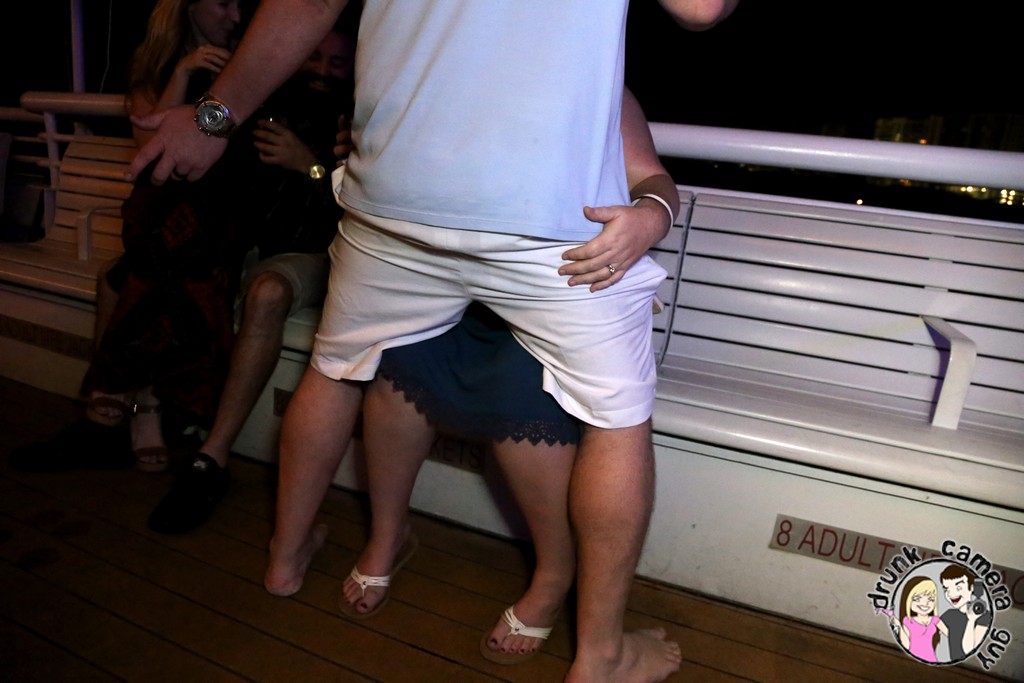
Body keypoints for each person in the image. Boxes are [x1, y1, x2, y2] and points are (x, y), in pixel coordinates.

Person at [125, 2, 737, 680]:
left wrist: (212, 117)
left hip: (403, 205)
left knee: (335, 367)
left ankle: (287, 558)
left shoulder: (584, 85)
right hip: (533, 226)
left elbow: (308, 3)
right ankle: (598, 654)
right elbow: (702, 6)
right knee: (612, 419)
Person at [339, 87, 678, 669]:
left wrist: (651, 216)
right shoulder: (449, 69)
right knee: (399, 361)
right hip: (444, 281)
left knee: (526, 389)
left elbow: (652, 177)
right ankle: (387, 537)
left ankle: (555, 574)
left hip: (557, 286)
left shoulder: (591, 76)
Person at [9, 0, 245, 475]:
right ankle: (146, 408)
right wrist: (181, 73)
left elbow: (228, 138)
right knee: (156, 271)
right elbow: (151, 148)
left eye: (240, 4)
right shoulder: (154, 68)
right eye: (222, 3)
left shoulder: (244, 70)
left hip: (216, 217)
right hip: (157, 214)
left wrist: (222, 91)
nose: (235, 16)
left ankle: (109, 406)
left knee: (140, 278)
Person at [147, 14, 359, 534]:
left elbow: (360, 212)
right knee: (164, 266)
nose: (323, 70)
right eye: (314, 56)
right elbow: (216, 151)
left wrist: (309, 165)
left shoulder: (355, 117)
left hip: (316, 253)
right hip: (250, 243)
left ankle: (211, 457)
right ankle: (149, 412)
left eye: (337, 62)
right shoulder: (269, 101)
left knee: (265, 292)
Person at [888, 576, 949, 663]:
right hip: (911, 659)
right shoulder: (907, 621)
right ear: (908, 600)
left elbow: (951, 635)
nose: (925, 603)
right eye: (917, 599)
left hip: (931, 659)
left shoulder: (935, 620)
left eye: (931, 599)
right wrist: (899, 626)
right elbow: (906, 645)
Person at [939, 565, 991, 661]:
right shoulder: (949, 614)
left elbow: (968, 650)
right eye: (946, 589)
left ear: (971, 587)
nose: (951, 593)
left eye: (958, 588)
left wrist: (971, 620)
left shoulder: (984, 616)